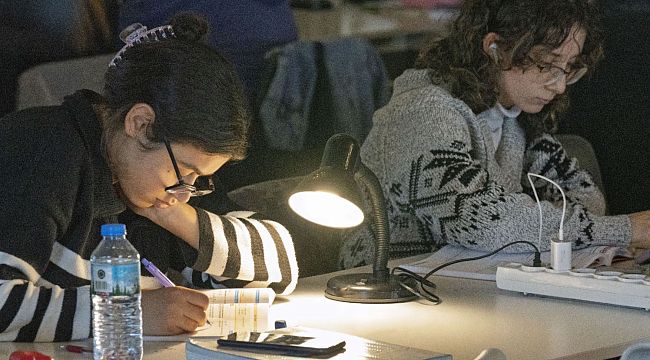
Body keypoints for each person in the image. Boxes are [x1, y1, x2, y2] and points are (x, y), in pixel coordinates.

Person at [0, 14, 298, 342]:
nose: (185, 193)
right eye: (185, 171)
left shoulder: (164, 185)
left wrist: (180, 219)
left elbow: (281, 269)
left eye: (199, 178)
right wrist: (130, 311)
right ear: (140, 124)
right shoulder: (45, 149)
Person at [339, 0, 650, 268]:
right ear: (496, 48)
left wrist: (541, 224)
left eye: (569, 68)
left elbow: (584, 197)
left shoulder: (513, 117)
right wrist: (623, 230)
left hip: (467, 293)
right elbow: (484, 221)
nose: (559, 85)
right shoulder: (424, 112)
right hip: (387, 291)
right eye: (548, 65)